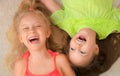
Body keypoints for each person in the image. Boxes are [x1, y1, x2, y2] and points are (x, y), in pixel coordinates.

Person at [40, 0, 120, 68]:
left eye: (72, 49)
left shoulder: (66, 24)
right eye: (82, 52)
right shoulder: (110, 27)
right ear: (96, 49)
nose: (77, 46)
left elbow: (49, 3)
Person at [5, 0, 75, 76]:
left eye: (37, 26)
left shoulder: (60, 60)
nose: (32, 31)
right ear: (20, 38)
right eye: (26, 28)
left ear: (47, 32)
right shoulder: (20, 65)